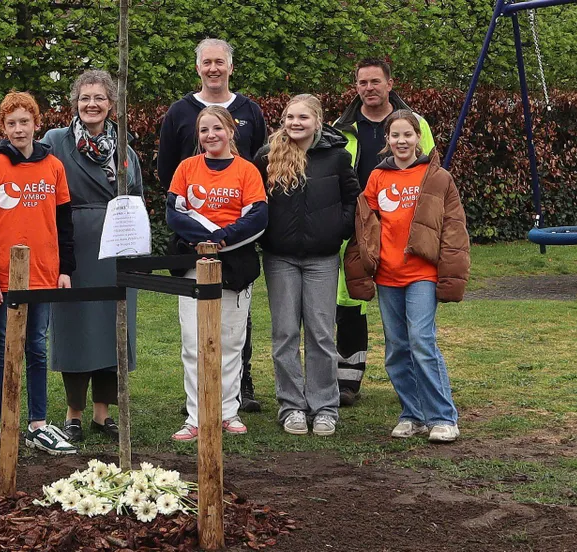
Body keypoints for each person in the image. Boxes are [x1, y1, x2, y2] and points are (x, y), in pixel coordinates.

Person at [344, 110, 469, 443]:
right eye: (395, 136)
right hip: (387, 275)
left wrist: (452, 273)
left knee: (422, 342)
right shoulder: (377, 178)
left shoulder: (437, 177)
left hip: (422, 274)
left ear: (418, 138)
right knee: (397, 347)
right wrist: (362, 265)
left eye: (407, 135)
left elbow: (454, 229)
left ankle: (443, 417)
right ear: (388, 140)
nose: (401, 141)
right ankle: (412, 415)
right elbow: (363, 226)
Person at [158, 38, 267, 413]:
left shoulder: (250, 112)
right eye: (207, 62)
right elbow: (170, 189)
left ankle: (231, 402)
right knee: (194, 337)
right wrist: (205, 237)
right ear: (198, 67)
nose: (214, 68)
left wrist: (226, 238)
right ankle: (196, 409)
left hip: (235, 256)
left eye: (220, 62)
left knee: (233, 335)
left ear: (230, 66)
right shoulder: (179, 116)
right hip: (194, 255)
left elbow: (259, 200)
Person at [0, 91, 78, 458]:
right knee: (6, 347)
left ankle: (37, 424)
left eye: (25, 122)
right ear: (3, 127)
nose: (19, 129)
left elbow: (64, 222)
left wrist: (66, 269)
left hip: (45, 273)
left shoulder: (54, 168)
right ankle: (8, 424)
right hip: (5, 277)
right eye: (11, 123)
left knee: (36, 345)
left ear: (37, 124)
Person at [42, 70, 142, 442]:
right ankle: (73, 413)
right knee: (74, 328)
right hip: (73, 245)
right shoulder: (55, 141)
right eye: (85, 98)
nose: (92, 104)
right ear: (75, 103)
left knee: (112, 328)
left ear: (111, 105)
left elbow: (138, 199)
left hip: (118, 248)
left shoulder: (126, 150)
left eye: (99, 98)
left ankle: (103, 414)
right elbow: (25, 168)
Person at [253, 95, 360, 436]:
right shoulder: (267, 156)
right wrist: (266, 236)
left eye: (302, 117)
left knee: (321, 334)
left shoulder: (337, 156)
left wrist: (337, 230)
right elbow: (254, 201)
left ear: (317, 120)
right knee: (285, 333)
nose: (295, 123)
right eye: (289, 117)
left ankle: (325, 406)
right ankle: (291, 406)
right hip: (280, 257)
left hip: (323, 259)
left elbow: (352, 199)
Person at [332, 58, 436, 407]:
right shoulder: (340, 126)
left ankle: (414, 382)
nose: (368, 88)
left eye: (375, 81)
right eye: (362, 82)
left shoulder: (415, 123)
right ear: (356, 86)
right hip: (355, 222)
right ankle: (348, 379)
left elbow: (433, 176)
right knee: (349, 300)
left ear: (390, 84)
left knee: (408, 315)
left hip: (400, 226)